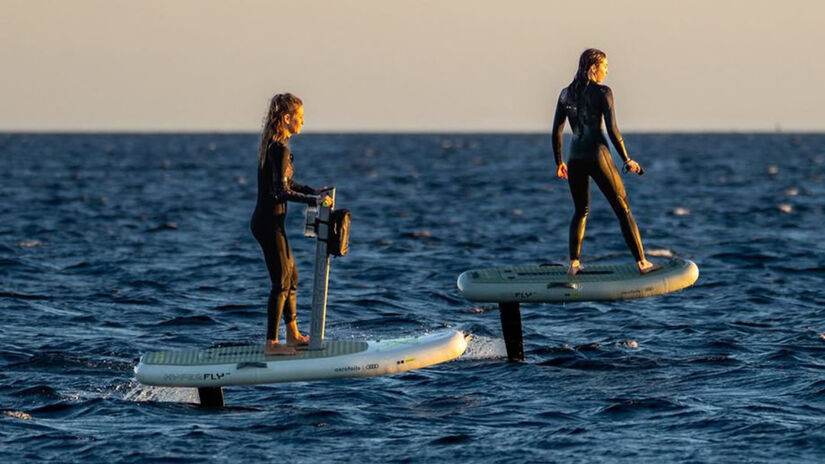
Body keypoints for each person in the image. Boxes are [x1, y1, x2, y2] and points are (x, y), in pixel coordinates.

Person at [551, 48, 660, 276]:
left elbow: (556, 131)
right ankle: (642, 263)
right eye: (605, 67)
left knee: (581, 211)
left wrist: (559, 162)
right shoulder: (603, 92)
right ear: (593, 67)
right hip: (597, 155)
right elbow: (612, 130)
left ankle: (573, 264)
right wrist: (627, 159)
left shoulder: (565, 94)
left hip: (575, 157)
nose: (607, 72)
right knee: (623, 209)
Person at [251, 93, 330, 355]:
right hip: (267, 223)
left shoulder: (276, 145)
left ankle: (293, 334)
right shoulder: (279, 148)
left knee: (291, 276)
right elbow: (279, 192)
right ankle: (272, 344)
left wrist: (312, 191)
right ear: (287, 118)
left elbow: (286, 184)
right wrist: (312, 201)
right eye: (300, 117)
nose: (303, 122)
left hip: (271, 222)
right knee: (281, 282)